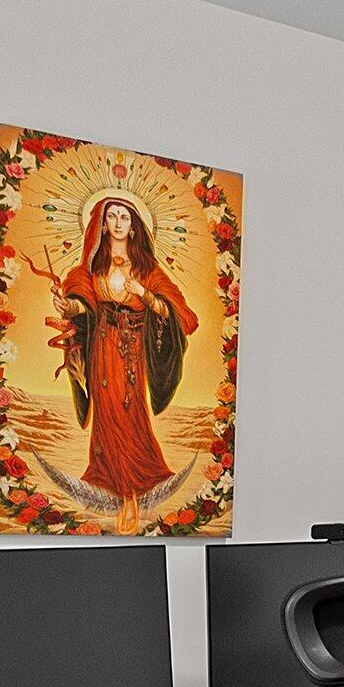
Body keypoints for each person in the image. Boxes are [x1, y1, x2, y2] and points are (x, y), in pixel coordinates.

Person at [55, 193, 199, 533]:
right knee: (107, 411)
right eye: (112, 216)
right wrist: (70, 307)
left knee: (131, 409)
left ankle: (135, 488)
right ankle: (112, 483)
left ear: (134, 226)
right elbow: (84, 303)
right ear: (102, 225)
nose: (118, 223)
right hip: (103, 345)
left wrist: (145, 295)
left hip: (133, 349)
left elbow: (184, 317)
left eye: (125, 217)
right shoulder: (91, 269)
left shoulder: (147, 270)